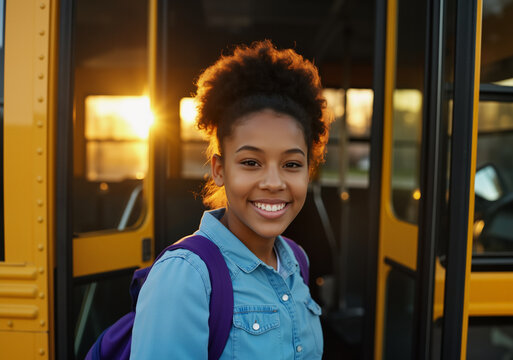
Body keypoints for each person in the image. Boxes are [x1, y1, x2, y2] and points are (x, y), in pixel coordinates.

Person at [130, 40, 330, 359]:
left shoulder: (296, 261)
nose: (274, 183)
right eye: (251, 162)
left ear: (309, 172)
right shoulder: (185, 277)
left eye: (292, 164)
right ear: (220, 170)